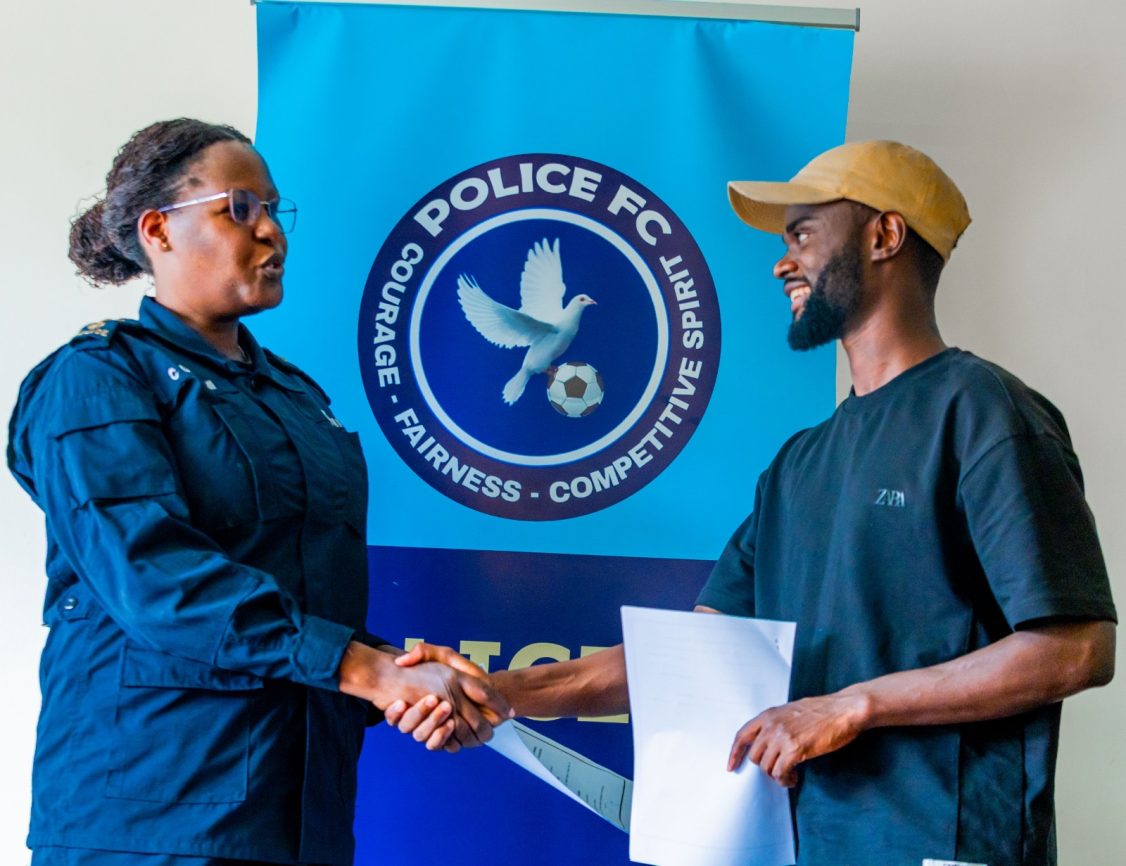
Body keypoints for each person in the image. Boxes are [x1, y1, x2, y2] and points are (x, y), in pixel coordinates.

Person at [389, 140, 1117, 866]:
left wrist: (852, 705)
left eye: (803, 234)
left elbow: (1075, 648)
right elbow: (689, 659)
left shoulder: (983, 412)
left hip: (946, 849)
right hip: (810, 849)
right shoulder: (799, 464)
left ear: (885, 236)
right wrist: (493, 692)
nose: (782, 262)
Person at [7, 118, 509, 866]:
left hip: (298, 810)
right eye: (239, 208)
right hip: (152, 822)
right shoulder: (96, 378)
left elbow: (303, 601)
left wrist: (404, 675)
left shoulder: (298, 399)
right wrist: (367, 671)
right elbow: (156, 578)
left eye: (274, 209)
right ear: (158, 230)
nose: (271, 232)